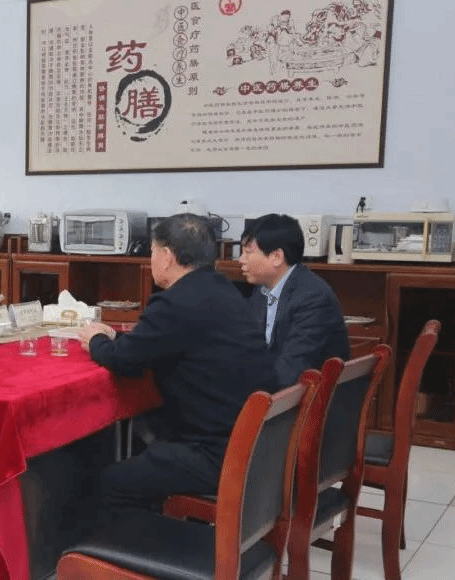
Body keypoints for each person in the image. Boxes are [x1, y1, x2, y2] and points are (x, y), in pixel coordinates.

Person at [76, 213, 274, 518]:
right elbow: (159, 343)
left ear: (167, 256)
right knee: (144, 441)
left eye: (152, 251)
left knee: (112, 481)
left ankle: (138, 545)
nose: (151, 259)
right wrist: (117, 338)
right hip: (257, 444)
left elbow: (124, 361)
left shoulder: (175, 302)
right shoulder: (226, 291)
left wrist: (95, 341)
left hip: (216, 454)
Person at [239, 213, 350, 390]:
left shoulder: (313, 298)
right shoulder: (262, 290)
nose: (241, 260)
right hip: (281, 393)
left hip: (313, 399)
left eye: (247, 252)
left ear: (277, 257)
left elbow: (290, 371)